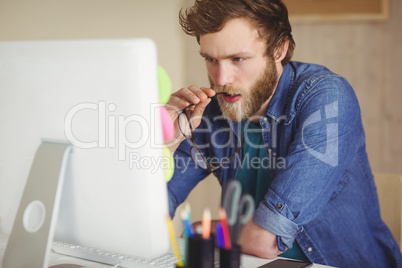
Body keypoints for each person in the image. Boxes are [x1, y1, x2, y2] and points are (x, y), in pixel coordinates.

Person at [165, 0, 402, 267]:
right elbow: (152, 212)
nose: (221, 79)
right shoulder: (215, 113)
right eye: (211, 59)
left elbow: (265, 241)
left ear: (279, 49)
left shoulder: (327, 99)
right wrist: (167, 143)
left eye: (238, 59)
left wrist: (216, 232)